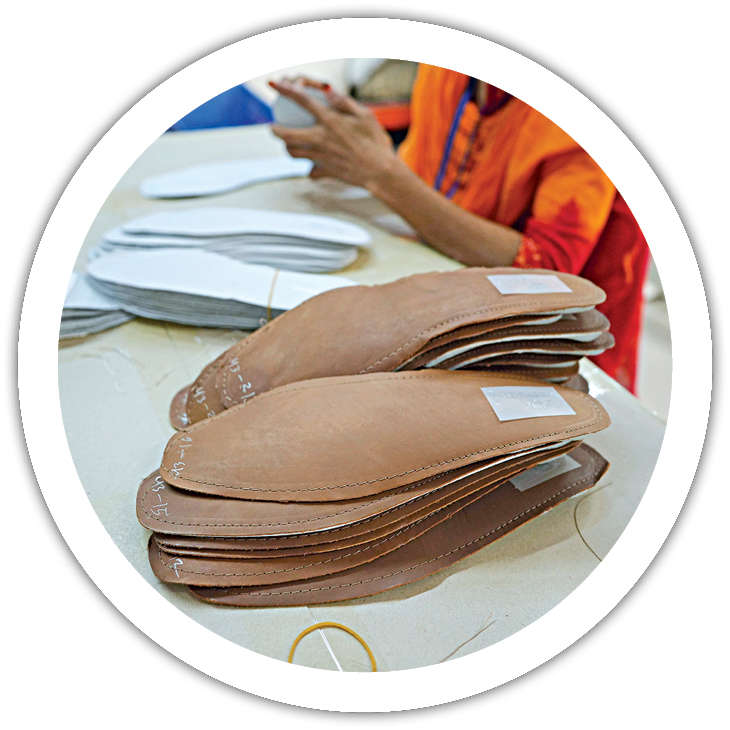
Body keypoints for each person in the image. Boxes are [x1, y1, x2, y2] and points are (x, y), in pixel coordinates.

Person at [269, 65, 650, 392]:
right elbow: (426, 183)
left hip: (556, 346)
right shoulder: (444, 70)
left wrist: (382, 174)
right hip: (450, 309)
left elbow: (545, 270)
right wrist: (357, 151)